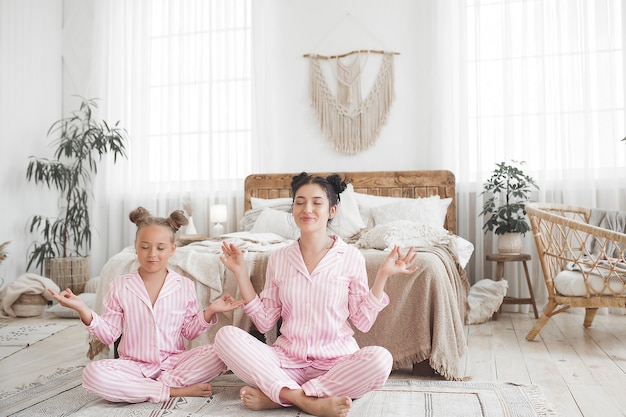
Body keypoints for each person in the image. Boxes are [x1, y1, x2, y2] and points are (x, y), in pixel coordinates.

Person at [215, 172, 418, 417]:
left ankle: (281, 395)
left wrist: (383, 276)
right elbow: (265, 322)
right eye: (299, 202)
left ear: (332, 210)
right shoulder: (279, 258)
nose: (306, 209)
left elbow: (363, 322)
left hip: (336, 365)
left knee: (381, 359)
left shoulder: (351, 257)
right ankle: (306, 399)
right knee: (225, 337)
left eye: (316, 202)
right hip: (287, 360)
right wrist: (240, 273)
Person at [48, 206, 243, 403]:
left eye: (160, 248)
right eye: (145, 247)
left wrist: (210, 310)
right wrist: (83, 309)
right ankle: (171, 390)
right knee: (92, 374)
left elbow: (189, 331)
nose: (152, 254)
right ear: (135, 247)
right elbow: (109, 334)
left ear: (172, 250)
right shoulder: (120, 285)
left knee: (221, 351)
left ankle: (149, 386)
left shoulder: (184, 285)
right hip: (133, 366)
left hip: (174, 363)